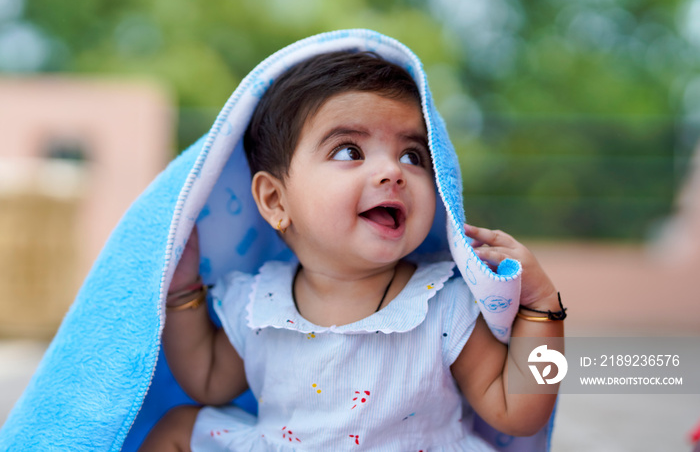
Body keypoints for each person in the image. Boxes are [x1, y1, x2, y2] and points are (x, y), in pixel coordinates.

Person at [140, 50, 564, 451]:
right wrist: (181, 291)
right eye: (350, 151)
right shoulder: (259, 304)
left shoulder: (442, 305)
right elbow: (208, 381)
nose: (392, 172)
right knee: (178, 428)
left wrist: (542, 308)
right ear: (274, 201)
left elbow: (518, 411)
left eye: (414, 155)